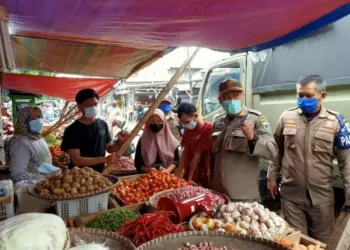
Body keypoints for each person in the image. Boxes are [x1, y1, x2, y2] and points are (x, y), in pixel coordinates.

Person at [267, 75, 350, 242]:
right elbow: (276, 151)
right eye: (300, 95)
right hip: (291, 195)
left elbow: (347, 162)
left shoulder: (336, 122)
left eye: (309, 96)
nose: (303, 99)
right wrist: (271, 176)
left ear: (323, 96)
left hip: (321, 198)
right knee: (295, 241)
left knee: (323, 242)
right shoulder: (286, 117)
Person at [211, 79, 278, 202]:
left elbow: (272, 152)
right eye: (226, 97)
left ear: (243, 96)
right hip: (219, 195)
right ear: (220, 100)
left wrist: (252, 138)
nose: (232, 100)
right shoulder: (218, 121)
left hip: (244, 196)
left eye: (236, 95)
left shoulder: (256, 119)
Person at [61, 89, 128, 173]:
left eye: (95, 104)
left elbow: (110, 148)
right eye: (89, 105)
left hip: (99, 174)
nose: (93, 107)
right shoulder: (72, 130)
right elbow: (77, 160)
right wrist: (105, 159)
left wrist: (119, 143)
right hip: (80, 176)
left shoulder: (103, 125)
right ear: (80, 107)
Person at [5, 106, 52, 182]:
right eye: (33, 118)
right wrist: (41, 177)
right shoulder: (20, 142)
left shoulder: (38, 137)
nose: (38, 120)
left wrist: (51, 171)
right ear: (24, 121)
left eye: (39, 117)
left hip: (44, 186)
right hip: (28, 189)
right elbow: (17, 175)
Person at [175, 103, 213, 187]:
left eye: (187, 122)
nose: (185, 125)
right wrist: (178, 174)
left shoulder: (208, 129)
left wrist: (190, 178)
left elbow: (198, 154)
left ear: (195, 116)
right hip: (189, 170)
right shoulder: (188, 129)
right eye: (183, 123)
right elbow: (185, 151)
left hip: (202, 171)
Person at [134, 109, 180, 173]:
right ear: (148, 122)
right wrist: (148, 170)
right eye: (152, 121)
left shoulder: (171, 140)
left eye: (159, 121)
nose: (156, 124)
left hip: (168, 179)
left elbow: (176, 161)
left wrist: (167, 171)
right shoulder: (142, 140)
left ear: (164, 122)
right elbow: (138, 164)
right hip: (148, 178)